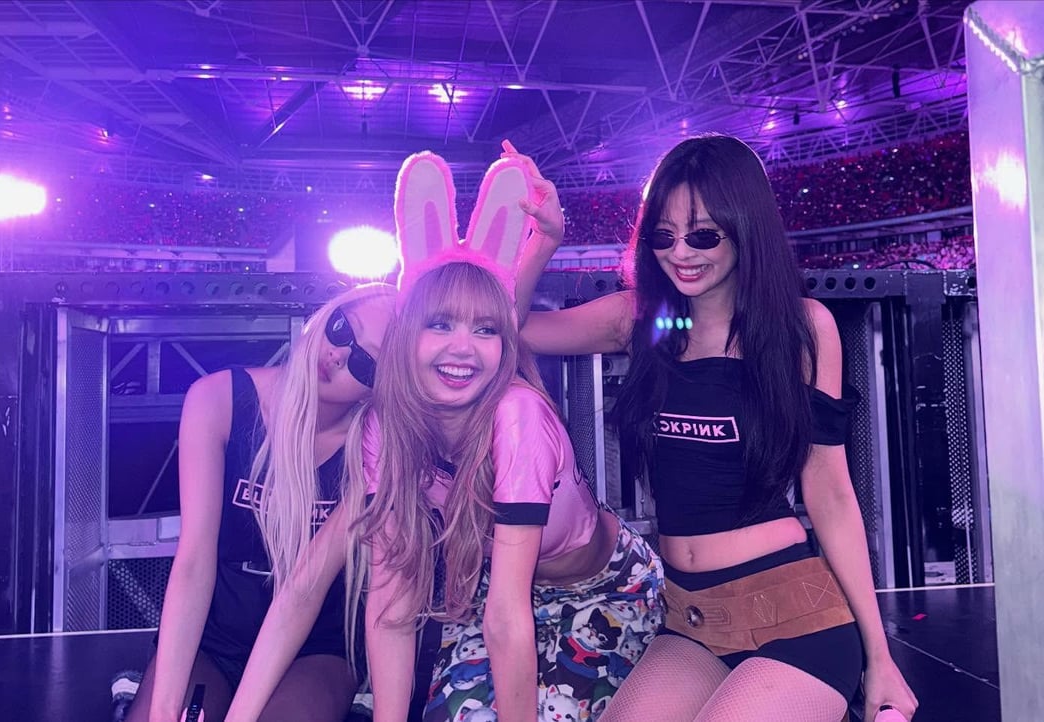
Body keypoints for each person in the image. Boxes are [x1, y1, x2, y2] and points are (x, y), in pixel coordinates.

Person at [513, 134, 918, 722]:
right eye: (663, 236)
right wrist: (544, 240)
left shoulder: (802, 328)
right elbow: (505, 329)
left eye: (702, 235)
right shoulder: (637, 320)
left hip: (796, 617)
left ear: (744, 227)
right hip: (690, 620)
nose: (681, 253)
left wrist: (879, 657)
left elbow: (830, 491)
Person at [347, 151, 663, 722]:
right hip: (496, 593)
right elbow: (390, 601)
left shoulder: (517, 417)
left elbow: (506, 619)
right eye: (440, 324)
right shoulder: (383, 426)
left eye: (485, 329)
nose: (462, 348)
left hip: (602, 591)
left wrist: (543, 245)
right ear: (406, 333)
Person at [126, 282, 396, 722]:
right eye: (342, 329)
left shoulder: (374, 450)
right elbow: (193, 560)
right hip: (213, 641)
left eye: (365, 362)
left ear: (381, 387)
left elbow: (303, 591)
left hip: (315, 650)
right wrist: (162, 707)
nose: (337, 355)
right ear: (324, 316)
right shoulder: (218, 400)